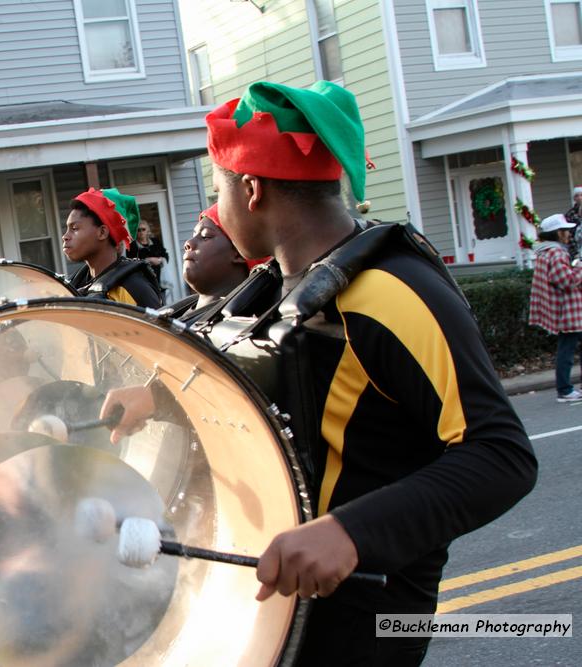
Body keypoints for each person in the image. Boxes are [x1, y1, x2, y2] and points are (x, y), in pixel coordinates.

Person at [101, 80, 536, 665]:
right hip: (282, 596)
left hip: (370, 611)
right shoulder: (282, 286)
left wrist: (351, 532)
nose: (216, 209)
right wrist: (158, 396)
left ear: (251, 189)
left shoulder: (392, 293)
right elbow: (274, 373)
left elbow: (501, 455)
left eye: (218, 190)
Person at [63, 188, 162, 309]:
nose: (65, 236)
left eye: (74, 228)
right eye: (67, 229)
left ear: (102, 232)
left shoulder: (134, 288)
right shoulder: (76, 284)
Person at [166, 204, 255, 323]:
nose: (188, 243)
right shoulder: (178, 309)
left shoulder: (238, 324)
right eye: (193, 235)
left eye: (205, 236)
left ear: (240, 253)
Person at [528, 213, 582, 402]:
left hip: (564, 310)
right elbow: (565, 280)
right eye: (566, 230)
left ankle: (565, 388)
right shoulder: (557, 252)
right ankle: (565, 390)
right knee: (566, 350)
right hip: (568, 310)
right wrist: (579, 268)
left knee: (567, 348)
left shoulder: (545, 252)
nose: (569, 234)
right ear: (558, 233)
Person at [127, 220, 169, 289]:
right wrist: (147, 260)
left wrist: (159, 260)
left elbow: (166, 256)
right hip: (143, 283)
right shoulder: (132, 246)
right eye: (138, 230)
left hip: (160, 281)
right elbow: (131, 264)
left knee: (162, 299)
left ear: (148, 231)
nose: (141, 232)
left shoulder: (155, 242)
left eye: (143, 229)